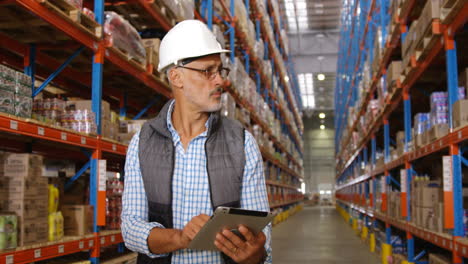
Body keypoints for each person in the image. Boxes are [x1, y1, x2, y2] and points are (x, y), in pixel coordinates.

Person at [121, 20, 272, 264]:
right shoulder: (143, 143)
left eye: (220, 71)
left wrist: (256, 255)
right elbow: (131, 229)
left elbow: (261, 234)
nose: (220, 81)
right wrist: (179, 238)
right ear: (176, 76)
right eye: (207, 71)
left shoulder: (242, 143)